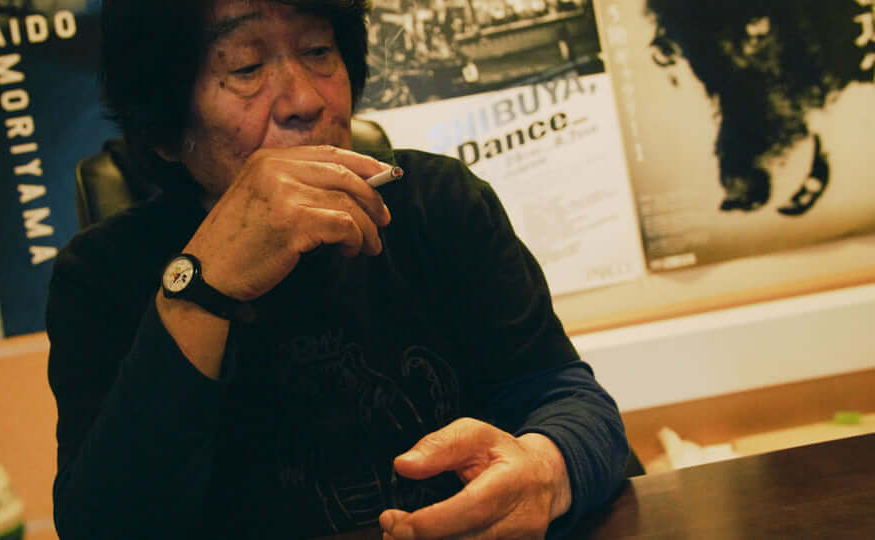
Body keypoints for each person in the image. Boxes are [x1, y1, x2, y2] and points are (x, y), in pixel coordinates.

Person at [47, 0, 628, 538]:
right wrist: (204, 287)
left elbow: (567, 397)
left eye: (319, 51)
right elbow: (102, 524)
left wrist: (545, 468)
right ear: (167, 129)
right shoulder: (102, 274)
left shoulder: (437, 203)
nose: (305, 100)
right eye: (246, 67)